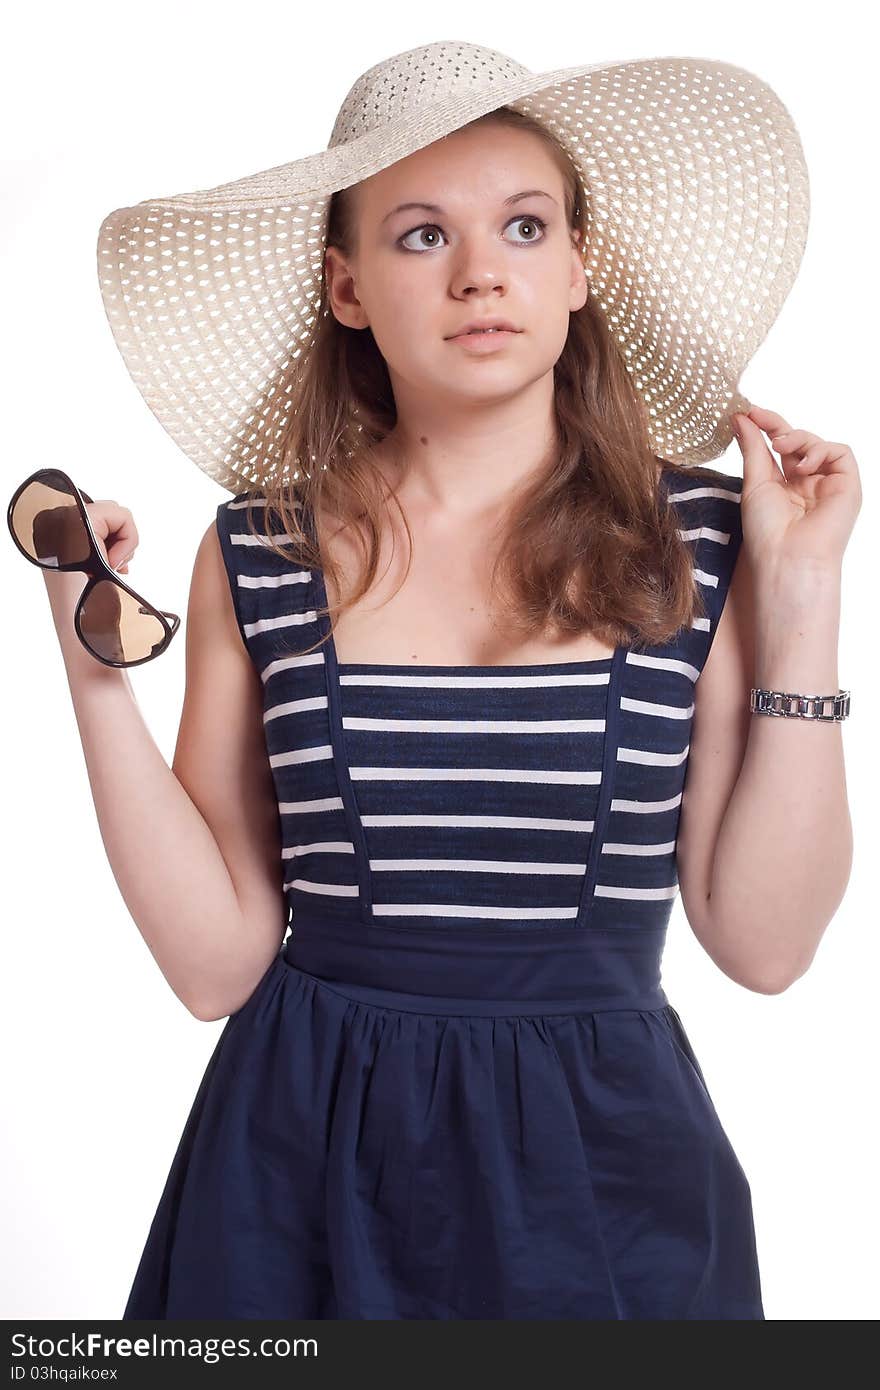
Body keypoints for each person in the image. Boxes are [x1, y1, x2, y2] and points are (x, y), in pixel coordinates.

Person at [45, 41, 858, 1319]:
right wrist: (95, 671)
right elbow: (214, 967)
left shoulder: (701, 540)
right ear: (347, 286)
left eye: (523, 227)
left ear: (578, 268)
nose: (482, 271)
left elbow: (762, 944)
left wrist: (801, 598)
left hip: (608, 1179)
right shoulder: (257, 553)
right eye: (421, 236)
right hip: (295, 1171)